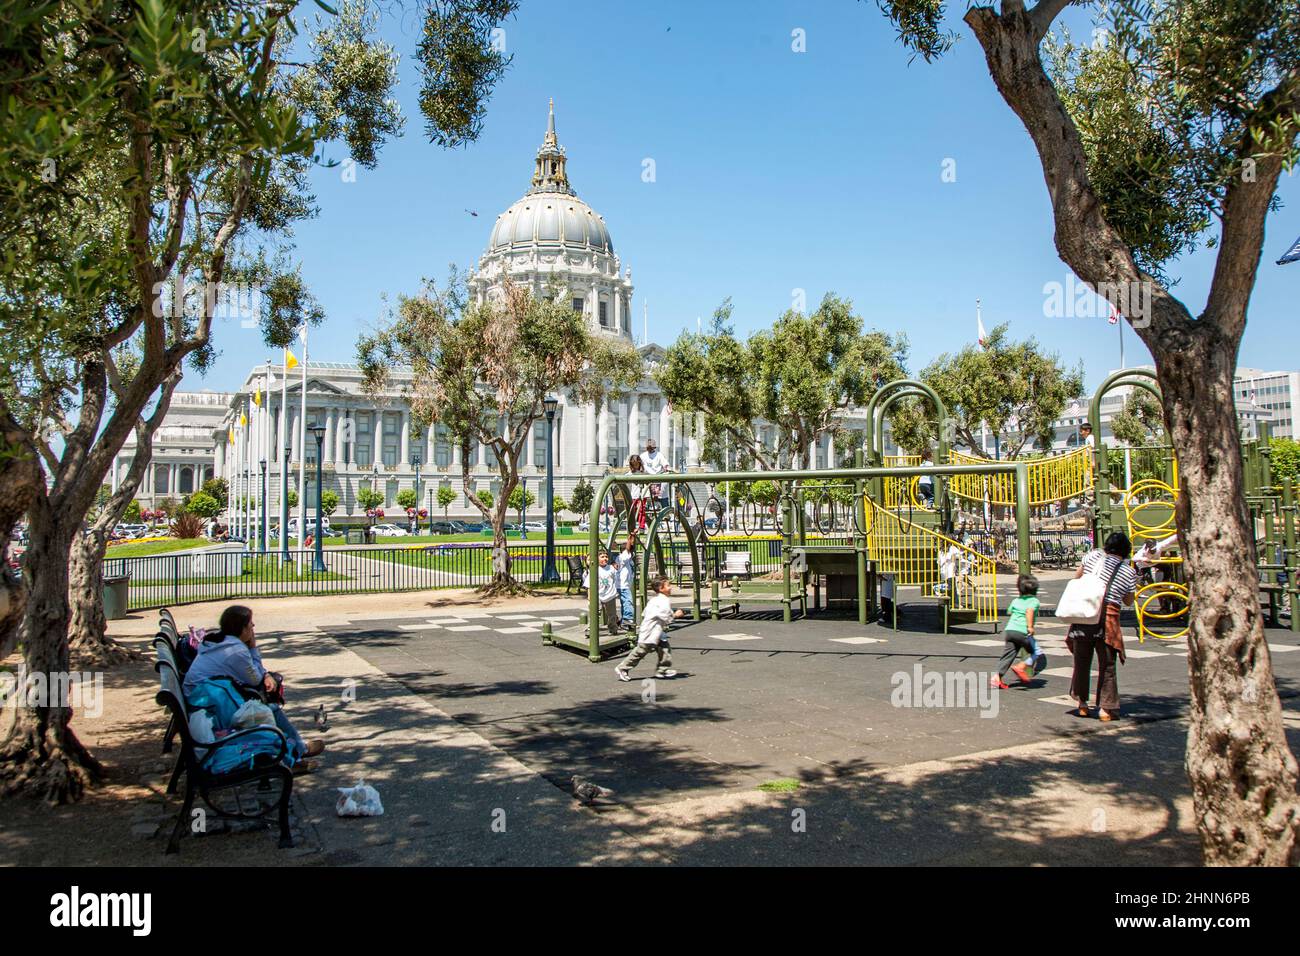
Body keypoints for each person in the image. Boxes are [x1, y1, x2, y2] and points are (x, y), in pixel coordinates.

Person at [183, 605, 325, 771]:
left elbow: (254, 674)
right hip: (210, 708)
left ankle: (295, 749)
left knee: (268, 707)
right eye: (250, 624)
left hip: (201, 701)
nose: (253, 627)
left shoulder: (217, 641)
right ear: (241, 628)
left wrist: (265, 674)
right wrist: (253, 647)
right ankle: (295, 753)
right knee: (270, 709)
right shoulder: (235, 650)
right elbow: (255, 679)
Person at [1067, 531, 1137, 721]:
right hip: (1108, 618)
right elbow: (1129, 601)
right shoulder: (1128, 571)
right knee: (1107, 664)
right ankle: (1106, 709)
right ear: (1126, 551)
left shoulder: (1092, 556)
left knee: (1082, 661)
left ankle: (1082, 703)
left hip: (1086, 613)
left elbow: (1077, 577)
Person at [616, 574, 683, 681]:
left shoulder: (655, 600)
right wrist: (676, 615)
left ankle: (662, 670)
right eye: (668, 585)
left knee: (665, 648)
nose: (671, 588)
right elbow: (666, 617)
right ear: (661, 588)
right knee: (640, 652)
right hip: (650, 634)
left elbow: (644, 614)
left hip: (655, 632)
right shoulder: (663, 601)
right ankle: (622, 668)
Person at [994, 574, 1041, 689]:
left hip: (1010, 630)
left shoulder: (1016, 600)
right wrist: (1030, 626)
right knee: (1036, 652)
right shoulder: (1034, 601)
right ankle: (1021, 666)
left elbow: (1009, 611)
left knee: (1008, 654)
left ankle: (997, 677)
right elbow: (1029, 611)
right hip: (1022, 631)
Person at [583, 550, 621, 635]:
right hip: (598, 595)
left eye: (606, 557)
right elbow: (589, 584)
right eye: (602, 557)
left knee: (612, 614)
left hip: (610, 595)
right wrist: (590, 596)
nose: (605, 558)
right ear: (597, 559)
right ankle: (592, 629)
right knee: (595, 612)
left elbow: (616, 579)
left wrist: (617, 591)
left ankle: (613, 628)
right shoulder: (594, 570)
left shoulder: (611, 568)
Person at [642, 438, 671, 516]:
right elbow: (640, 465)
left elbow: (665, 464)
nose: (650, 449)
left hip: (658, 477)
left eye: (651, 448)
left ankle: (666, 513)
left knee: (663, 493)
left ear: (654, 448)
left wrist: (666, 467)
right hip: (647, 479)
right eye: (648, 448)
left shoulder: (659, 455)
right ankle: (643, 513)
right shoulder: (643, 456)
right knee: (643, 494)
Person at [616, 534, 637, 627]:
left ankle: (623, 619)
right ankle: (627, 618)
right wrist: (629, 540)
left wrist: (633, 539)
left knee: (624, 602)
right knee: (628, 601)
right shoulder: (622, 558)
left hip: (624, 585)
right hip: (622, 586)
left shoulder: (628, 559)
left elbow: (630, 548)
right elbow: (627, 550)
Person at [627, 453, 648, 531]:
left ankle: (641, 526)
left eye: (637, 464)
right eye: (634, 464)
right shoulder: (631, 473)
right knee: (633, 509)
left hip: (643, 494)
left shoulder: (644, 471)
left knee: (641, 509)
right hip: (634, 494)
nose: (635, 466)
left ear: (639, 463)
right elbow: (626, 476)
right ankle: (632, 526)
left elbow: (649, 477)